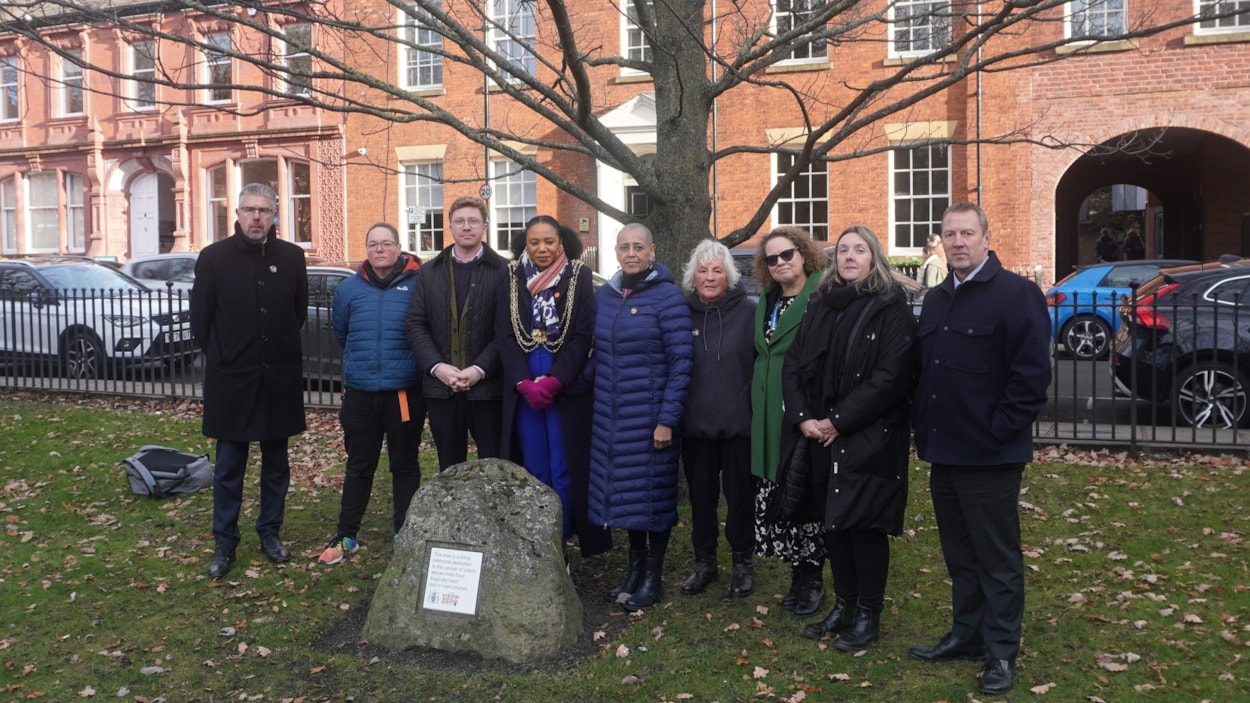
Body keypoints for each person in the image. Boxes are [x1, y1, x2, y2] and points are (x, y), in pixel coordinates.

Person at [909, 202, 1051, 696]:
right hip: (944, 452)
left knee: (997, 558)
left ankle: (1001, 652)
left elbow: (1031, 378)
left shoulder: (1016, 295)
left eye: (968, 233)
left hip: (989, 455)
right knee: (959, 554)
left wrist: (999, 431)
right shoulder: (938, 299)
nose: (958, 242)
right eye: (950, 235)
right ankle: (966, 635)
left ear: (987, 237)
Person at [772, 225, 915, 651]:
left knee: (863, 526)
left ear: (874, 257)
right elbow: (793, 364)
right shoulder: (821, 304)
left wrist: (837, 420)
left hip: (867, 435)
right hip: (818, 435)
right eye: (843, 250)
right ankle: (844, 604)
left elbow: (891, 378)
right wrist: (802, 419)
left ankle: (868, 615)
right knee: (834, 524)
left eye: (859, 250)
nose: (850, 257)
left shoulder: (891, 306)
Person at [190, 183, 308, 580]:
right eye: (249, 210)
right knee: (228, 468)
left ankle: (270, 531)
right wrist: (227, 358)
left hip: (278, 379)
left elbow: (297, 314)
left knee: (276, 464)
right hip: (231, 381)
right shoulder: (213, 258)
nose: (256, 217)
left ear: (275, 214)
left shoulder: (292, 258)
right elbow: (200, 323)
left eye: (264, 210)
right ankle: (225, 541)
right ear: (236, 213)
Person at [589, 223, 693, 612]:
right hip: (613, 419)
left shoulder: (667, 298)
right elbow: (597, 356)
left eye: (638, 247)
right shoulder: (606, 296)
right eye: (623, 247)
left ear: (652, 250)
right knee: (629, 499)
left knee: (654, 499)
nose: (631, 253)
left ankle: (653, 577)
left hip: (651, 418)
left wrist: (667, 418)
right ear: (615, 252)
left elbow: (682, 363)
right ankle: (633, 573)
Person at [496, 216, 611, 558]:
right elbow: (504, 333)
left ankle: (561, 541)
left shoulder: (579, 275)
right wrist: (522, 381)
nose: (542, 248)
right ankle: (539, 540)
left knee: (564, 466)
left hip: (565, 384)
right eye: (535, 242)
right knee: (535, 465)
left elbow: (581, 335)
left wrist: (557, 380)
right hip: (525, 387)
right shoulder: (510, 276)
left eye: (549, 241)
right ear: (525, 244)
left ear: (561, 242)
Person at [317, 223, 425, 565]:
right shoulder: (349, 289)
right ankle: (347, 535)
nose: (380, 249)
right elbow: (342, 333)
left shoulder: (418, 284)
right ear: (366, 249)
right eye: (373, 244)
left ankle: (403, 531)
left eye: (387, 243)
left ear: (398, 248)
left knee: (404, 464)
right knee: (359, 465)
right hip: (361, 395)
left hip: (404, 394)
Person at [750, 226, 828, 618]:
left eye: (787, 255)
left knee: (804, 494)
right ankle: (796, 573)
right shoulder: (766, 299)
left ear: (803, 255)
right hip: (766, 415)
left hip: (802, 410)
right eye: (772, 258)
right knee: (777, 492)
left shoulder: (821, 296)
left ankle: (812, 575)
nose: (780, 263)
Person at [677, 239, 758, 598]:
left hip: (740, 427)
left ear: (729, 275)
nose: (709, 277)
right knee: (702, 499)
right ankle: (704, 562)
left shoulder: (750, 312)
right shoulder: (680, 313)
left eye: (717, 270)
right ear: (692, 276)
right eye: (703, 270)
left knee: (740, 498)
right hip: (695, 428)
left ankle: (742, 562)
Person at [405, 195, 507, 470]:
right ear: (449, 226)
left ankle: (492, 515)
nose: (466, 227)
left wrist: (479, 369)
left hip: (487, 389)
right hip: (442, 390)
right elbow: (416, 323)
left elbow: (507, 329)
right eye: (459, 221)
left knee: (493, 466)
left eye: (473, 221)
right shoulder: (429, 272)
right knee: (449, 469)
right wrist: (438, 368)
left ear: (484, 226)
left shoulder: (503, 272)